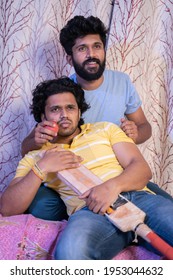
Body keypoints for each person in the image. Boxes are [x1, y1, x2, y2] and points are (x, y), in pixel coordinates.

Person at [1, 77, 173, 260]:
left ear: (79, 111)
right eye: (55, 109)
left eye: (70, 108)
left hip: (137, 198)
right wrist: (41, 167)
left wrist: (111, 187)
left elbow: (141, 169)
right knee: (70, 253)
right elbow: (8, 208)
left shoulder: (105, 129)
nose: (64, 115)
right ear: (43, 117)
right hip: (90, 212)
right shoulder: (35, 156)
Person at [21, 16, 173, 220]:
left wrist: (135, 134)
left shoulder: (122, 82)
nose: (91, 54)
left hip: (113, 171)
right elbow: (27, 147)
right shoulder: (62, 93)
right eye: (82, 49)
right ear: (70, 57)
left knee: (166, 205)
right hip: (74, 178)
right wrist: (36, 140)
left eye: (97, 46)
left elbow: (144, 126)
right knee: (43, 206)